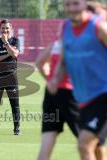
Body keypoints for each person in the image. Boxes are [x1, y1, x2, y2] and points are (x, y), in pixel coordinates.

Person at [48, 0, 107, 159]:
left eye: (76, 4)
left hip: (103, 95)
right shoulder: (65, 28)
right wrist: (55, 79)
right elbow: (64, 61)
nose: (71, 8)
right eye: (68, 5)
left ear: (85, 5)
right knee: (93, 146)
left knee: (84, 143)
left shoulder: (98, 27)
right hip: (84, 99)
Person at [36, 39, 80, 160]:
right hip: (70, 93)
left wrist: (50, 80)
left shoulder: (56, 44)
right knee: (88, 142)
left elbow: (40, 62)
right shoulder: (82, 43)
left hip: (51, 93)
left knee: (46, 144)